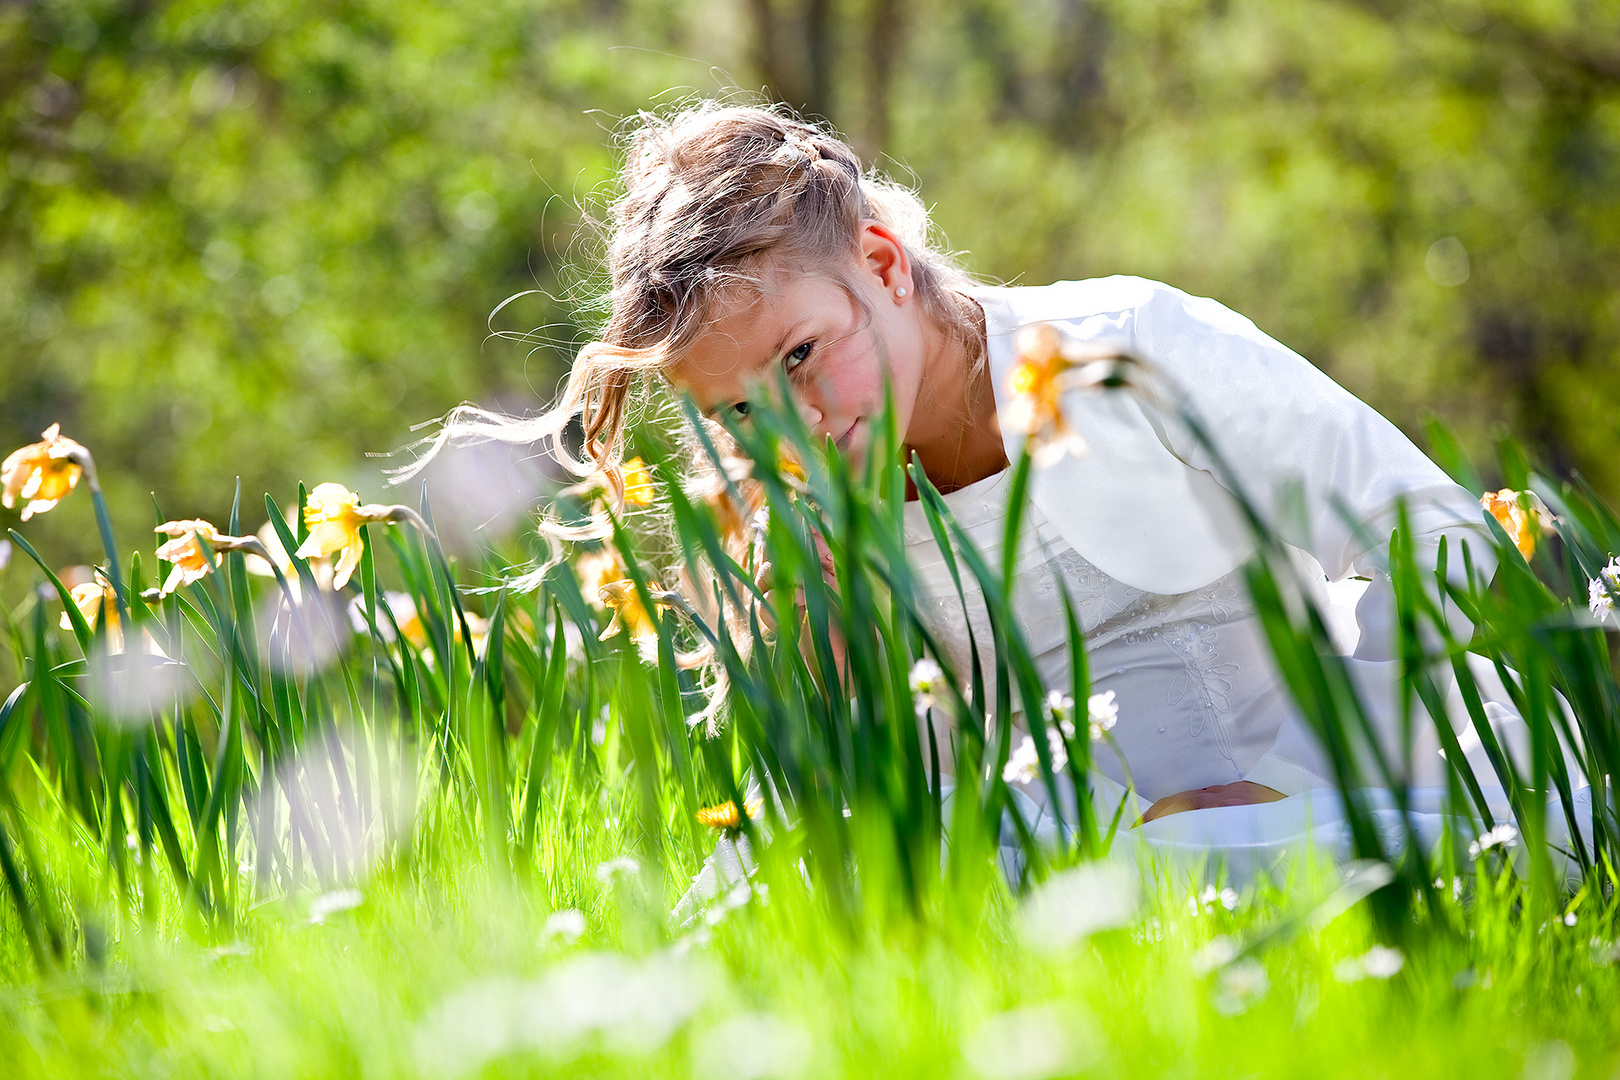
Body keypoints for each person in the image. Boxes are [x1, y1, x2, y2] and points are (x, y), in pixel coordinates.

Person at [429, 101, 1542, 832]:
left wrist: (1309, 777)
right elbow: (887, 783)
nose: (796, 425)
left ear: (879, 264)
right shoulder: (804, 506)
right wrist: (824, 597)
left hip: (1319, 765)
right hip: (1068, 828)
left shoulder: (1127, 345)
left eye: (803, 356)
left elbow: (1429, 528)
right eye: (741, 409)